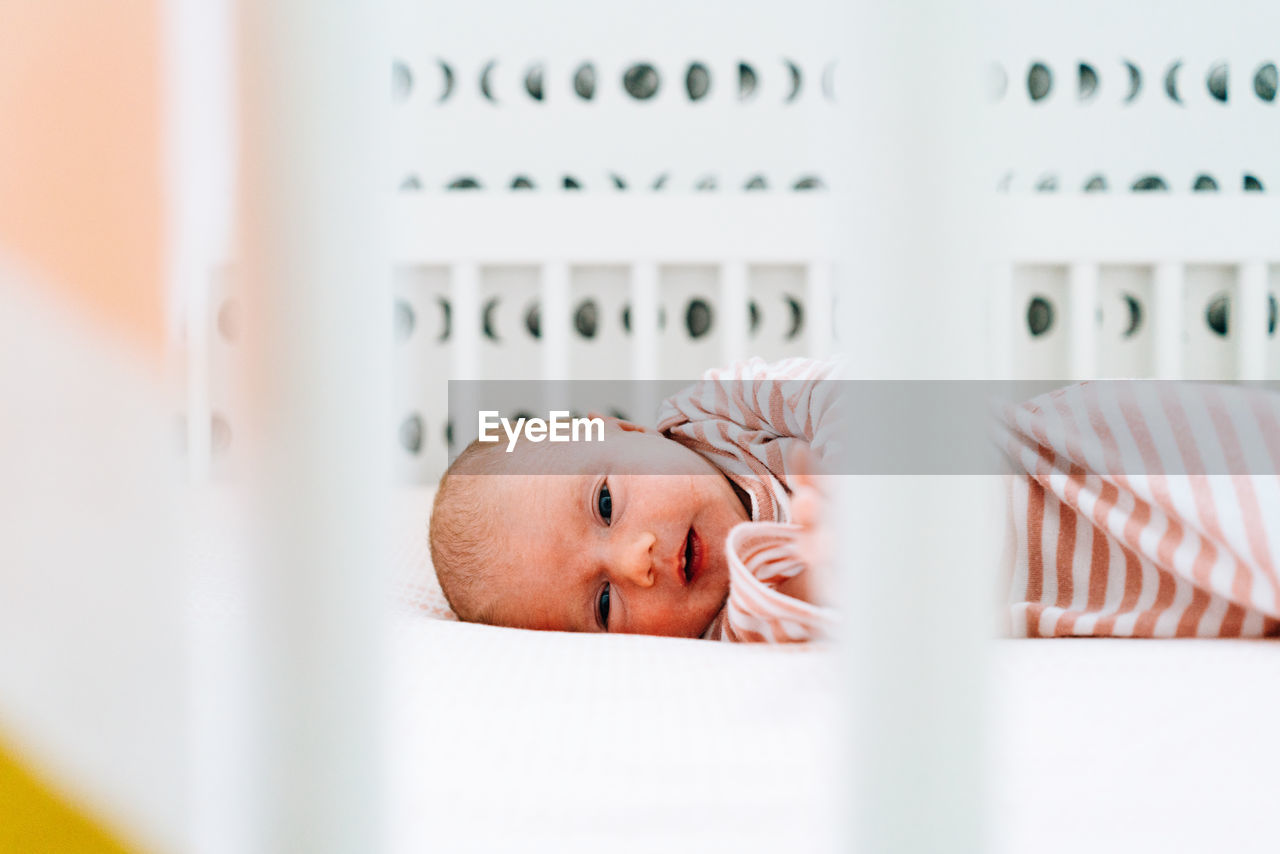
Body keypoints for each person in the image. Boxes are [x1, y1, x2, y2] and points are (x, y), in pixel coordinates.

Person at [428, 357, 838, 642]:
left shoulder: (716, 408)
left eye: (605, 505)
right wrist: (814, 573)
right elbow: (819, 616)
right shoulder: (737, 624)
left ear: (627, 430)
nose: (634, 560)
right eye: (604, 604)